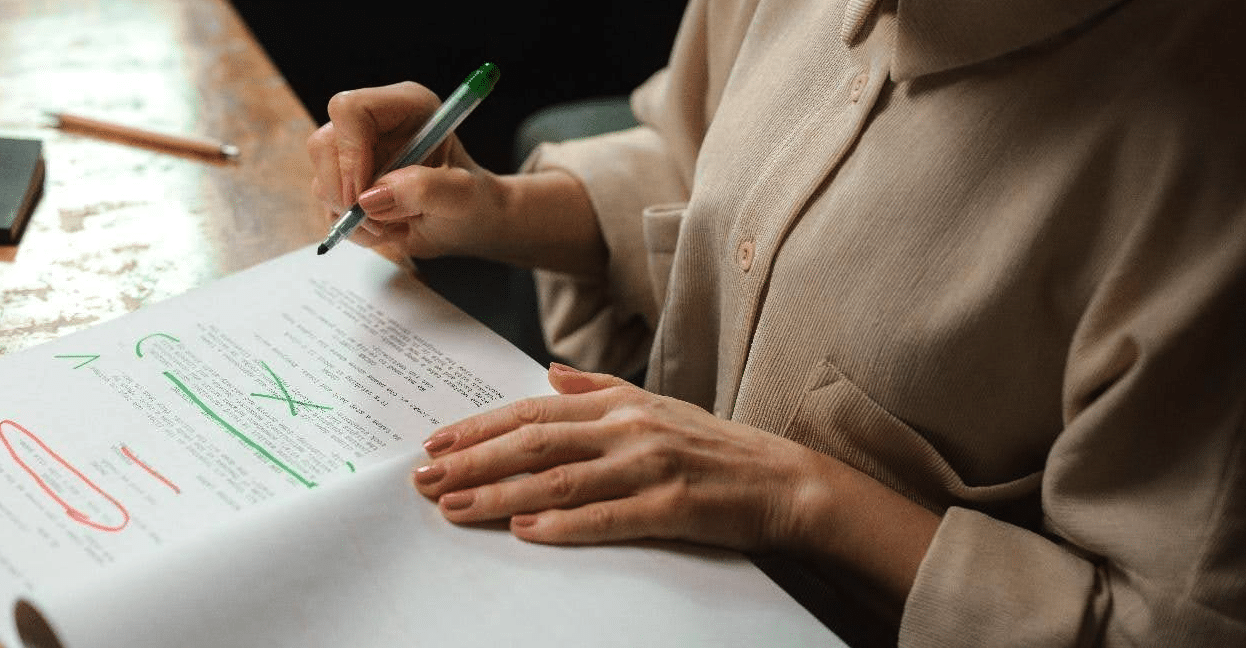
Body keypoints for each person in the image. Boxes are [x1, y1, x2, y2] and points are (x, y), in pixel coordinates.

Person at [307, 0, 1246, 645]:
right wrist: (498, 208)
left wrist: (796, 496)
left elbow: (1159, 624)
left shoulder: (1204, 161)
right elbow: (699, 164)